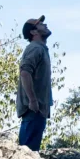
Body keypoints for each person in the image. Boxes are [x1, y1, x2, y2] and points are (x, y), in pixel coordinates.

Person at [17, 15, 53, 151]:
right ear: (33, 32)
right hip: (33, 108)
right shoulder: (35, 48)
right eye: (40, 24)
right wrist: (32, 100)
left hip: (38, 108)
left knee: (31, 151)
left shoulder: (41, 49)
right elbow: (25, 72)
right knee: (27, 152)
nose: (45, 25)